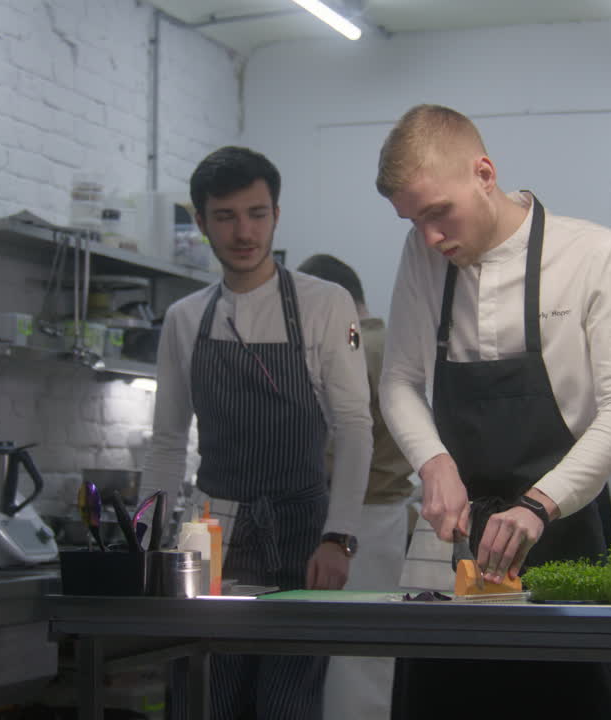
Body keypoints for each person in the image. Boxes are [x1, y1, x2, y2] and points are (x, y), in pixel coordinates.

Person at [376, 104, 611, 719]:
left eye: (437, 212)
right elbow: (399, 379)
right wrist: (434, 461)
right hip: (458, 536)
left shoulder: (593, 253)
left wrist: (538, 504)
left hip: (565, 530)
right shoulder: (422, 258)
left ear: (484, 172)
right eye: (412, 220)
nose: (429, 237)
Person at [144, 146, 373, 720]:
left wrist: (339, 536)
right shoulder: (184, 318)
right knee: (206, 697)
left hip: (304, 534)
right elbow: (168, 442)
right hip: (212, 538)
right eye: (226, 216)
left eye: (257, 213)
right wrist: (145, 542)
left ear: (275, 213)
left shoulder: (325, 304)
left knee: (287, 703)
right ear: (200, 223)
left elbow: (353, 426)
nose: (244, 231)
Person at [297, 253, 414, 720]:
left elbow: (339, 444)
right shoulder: (391, 343)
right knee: (371, 660)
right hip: (388, 515)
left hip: (355, 519)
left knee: (347, 662)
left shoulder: (353, 349)